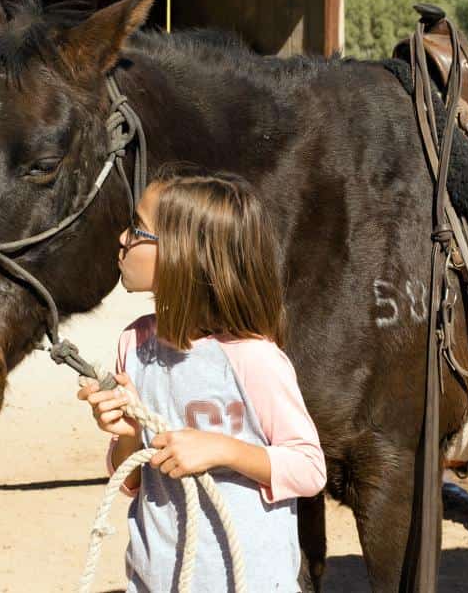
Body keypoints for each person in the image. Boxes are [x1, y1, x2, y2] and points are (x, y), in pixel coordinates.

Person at [77, 169, 326, 592]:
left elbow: (308, 468)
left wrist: (223, 450)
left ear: (183, 253)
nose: (122, 238)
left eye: (138, 229)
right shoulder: (133, 345)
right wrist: (127, 434)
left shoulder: (254, 359)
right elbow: (130, 479)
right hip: (157, 579)